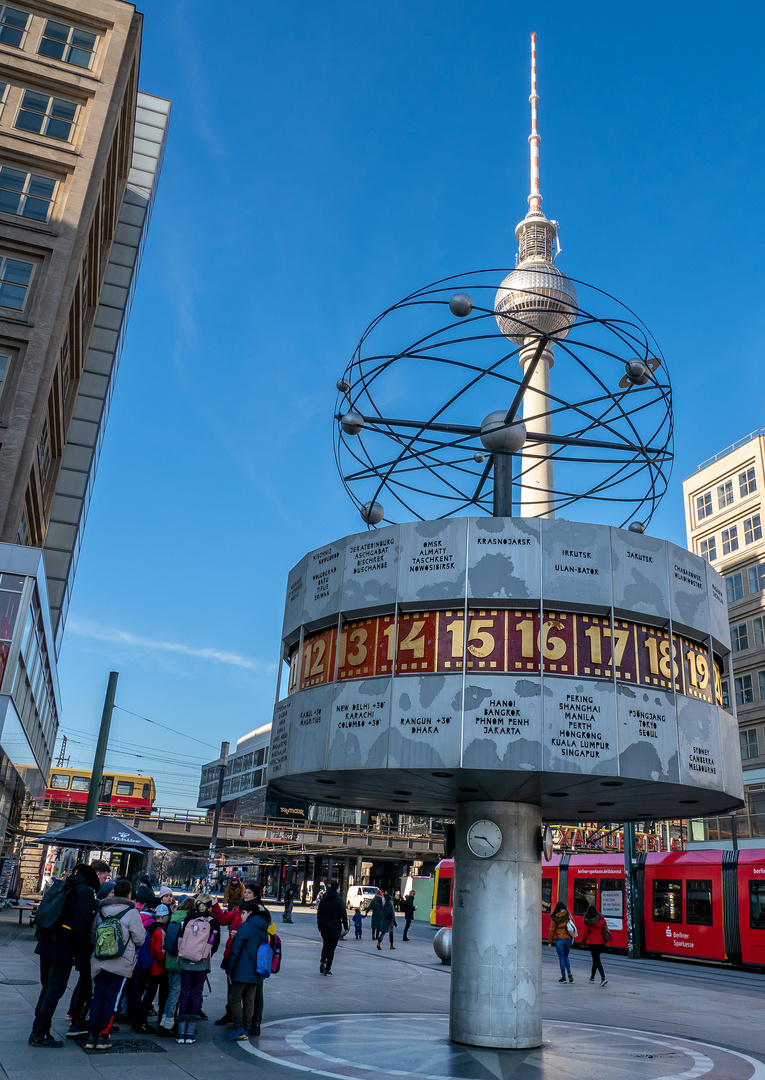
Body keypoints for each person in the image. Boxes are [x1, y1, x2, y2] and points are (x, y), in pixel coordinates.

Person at [30, 861, 100, 1048]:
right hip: (63, 947)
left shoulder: (66, 885)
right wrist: (80, 952)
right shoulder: (85, 891)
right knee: (55, 991)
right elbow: (80, 925)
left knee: (47, 989)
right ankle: (41, 1033)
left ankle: (36, 1030)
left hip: (47, 942)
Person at [86, 878, 146, 1050]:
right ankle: (104, 1036)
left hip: (100, 959)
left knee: (97, 997)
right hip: (120, 962)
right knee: (111, 999)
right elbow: (140, 939)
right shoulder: (132, 913)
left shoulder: (102, 910)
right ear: (129, 894)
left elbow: (92, 936)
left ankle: (91, 1036)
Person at [212, 881, 273, 1025]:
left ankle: (252, 1020)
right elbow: (224, 919)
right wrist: (215, 905)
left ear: (256, 895)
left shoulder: (259, 911)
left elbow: (258, 933)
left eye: (249, 892)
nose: (246, 894)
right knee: (233, 988)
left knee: (253, 992)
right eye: (245, 891)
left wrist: (239, 934)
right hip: (234, 952)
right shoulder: (240, 909)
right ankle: (233, 1014)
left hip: (251, 956)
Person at [66, 859, 112, 1038]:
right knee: (84, 986)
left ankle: (74, 1018)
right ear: (98, 874)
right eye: (105, 877)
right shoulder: (87, 892)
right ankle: (77, 1022)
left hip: (67, 945)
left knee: (80, 985)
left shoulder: (76, 886)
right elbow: (83, 925)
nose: (105, 881)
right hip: (82, 948)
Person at [224, 897, 272, 1040]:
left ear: (250, 913)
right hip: (256, 969)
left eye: (243, 913)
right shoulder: (263, 926)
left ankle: (239, 1027)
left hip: (242, 968)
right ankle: (246, 1027)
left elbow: (235, 950)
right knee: (250, 998)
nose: (241, 916)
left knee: (234, 997)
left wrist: (229, 969)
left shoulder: (245, 927)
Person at [176, 893, 220, 1044]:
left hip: (185, 960)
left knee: (185, 993)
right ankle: (190, 1033)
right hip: (201, 961)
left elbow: (179, 937)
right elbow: (215, 944)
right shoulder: (212, 922)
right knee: (196, 994)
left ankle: (181, 1032)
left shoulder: (187, 918)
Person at [159, 896, 195, 1036]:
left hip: (170, 959)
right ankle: (168, 1023)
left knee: (171, 991)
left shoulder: (173, 918)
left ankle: (164, 1021)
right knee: (176, 993)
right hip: (180, 960)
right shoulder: (188, 921)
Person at [136, 903, 171, 1031]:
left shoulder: (150, 928)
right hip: (157, 968)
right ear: (164, 916)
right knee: (151, 995)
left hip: (148, 965)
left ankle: (140, 1020)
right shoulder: (160, 931)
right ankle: (143, 1022)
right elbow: (159, 951)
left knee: (147, 994)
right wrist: (165, 962)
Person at [316, 881, 348, 976]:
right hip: (335, 928)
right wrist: (346, 927)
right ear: (337, 889)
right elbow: (343, 915)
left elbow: (319, 914)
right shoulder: (339, 901)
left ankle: (322, 962)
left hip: (324, 928)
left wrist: (319, 926)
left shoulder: (324, 900)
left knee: (325, 945)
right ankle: (328, 968)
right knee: (331, 948)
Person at [581, 904, 609, 986]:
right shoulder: (601, 918)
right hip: (601, 943)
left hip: (593, 943)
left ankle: (603, 978)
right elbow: (605, 928)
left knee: (597, 960)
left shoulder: (589, 921)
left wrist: (583, 943)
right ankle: (592, 978)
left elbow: (586, 934)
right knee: (595, 960)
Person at [548, 900, 575, 983]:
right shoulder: (568, 914)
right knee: (566, 957)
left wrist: (550, 942)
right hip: (568, 940)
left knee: (561, 958)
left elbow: (552, 930)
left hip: (559, 940)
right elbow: (573, 924)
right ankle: (569, 972)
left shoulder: (555, 917)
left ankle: (563, 977)